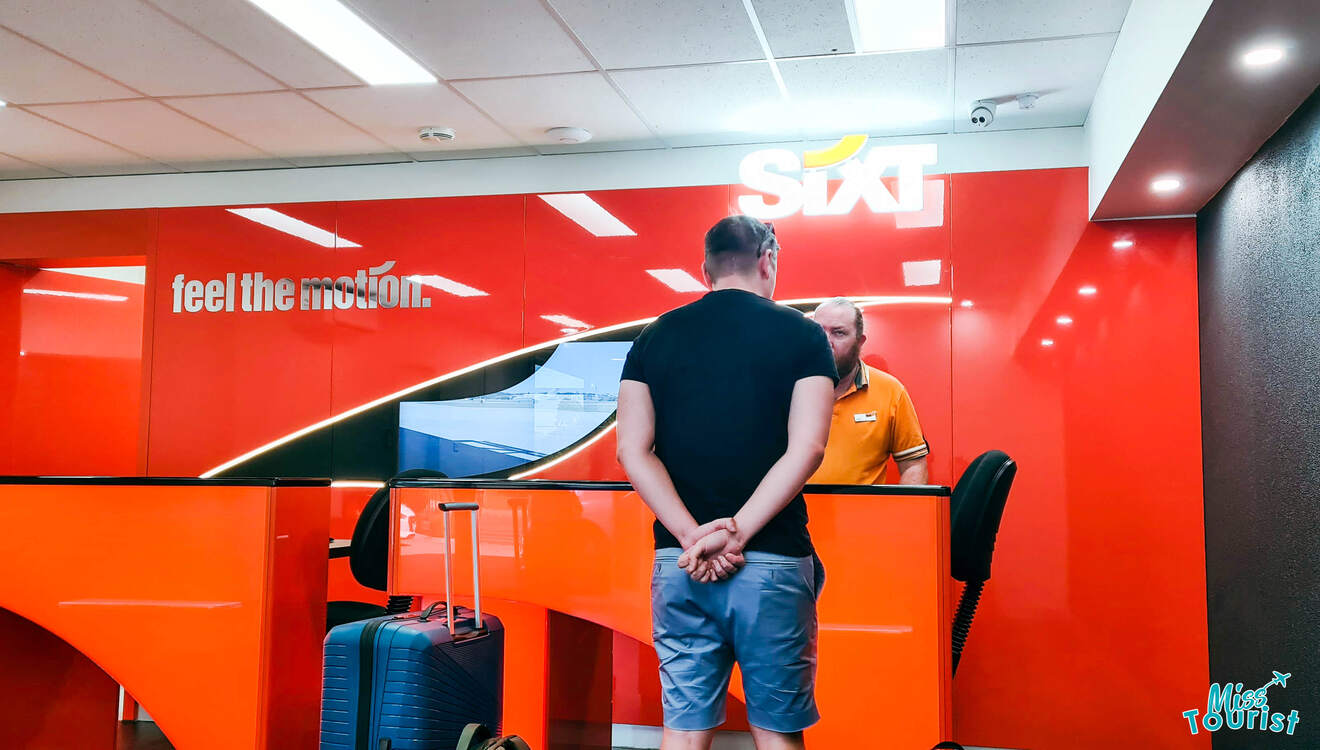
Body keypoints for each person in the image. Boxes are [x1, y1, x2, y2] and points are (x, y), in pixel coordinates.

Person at [616, 215, 837, 750]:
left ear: (705, 270)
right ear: (769, 261)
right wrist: (736, 533)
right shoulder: (805, 335)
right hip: (772, 560)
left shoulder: (652, 338)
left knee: (685, 730)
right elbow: (806, 448)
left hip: (681, 562)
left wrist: (693, 537)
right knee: (776, 730)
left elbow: (632, 450)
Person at [809, 298, 929, 485]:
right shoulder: (789, 388)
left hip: (863, 512)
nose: (826, 341)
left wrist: (904, 513)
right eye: (818, 331)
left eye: (838, 333)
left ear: (860, 341)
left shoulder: (891, 391)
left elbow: (913, 465)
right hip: (800, 513)